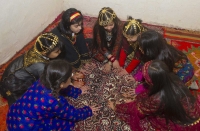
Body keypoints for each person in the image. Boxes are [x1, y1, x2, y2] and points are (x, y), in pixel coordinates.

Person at [6, 59, 99, 131]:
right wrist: (88, 110)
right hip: (26, 127)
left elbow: (61, 87)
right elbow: (72, 115)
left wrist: (77, 92)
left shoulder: (44, 80)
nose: (71, 80)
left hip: (13, 114)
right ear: (62, 84)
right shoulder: (55, 101)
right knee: (67, 123)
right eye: (70, 79)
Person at [108, 60, 200, 131]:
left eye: (145, 77)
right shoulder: (173, 78)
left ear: (151, 81)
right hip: (195, 111)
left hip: (185, 123)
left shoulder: (157, 97)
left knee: (150, 116)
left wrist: (116, 107)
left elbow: (138, 111)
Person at [0, 33, 63, 106]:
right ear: (45, 53)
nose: (60, 52)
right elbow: (48, 83)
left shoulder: (38, 49)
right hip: (15, 86)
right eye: (57, 51)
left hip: (12, 75)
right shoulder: (40, 67)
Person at [91, 7, 123, 72]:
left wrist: (110, 62)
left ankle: (108, 61)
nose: (109, 28)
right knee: (95, 52)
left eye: (111, 25)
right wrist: (112, 59)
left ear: (115, 21)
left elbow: (117, 44)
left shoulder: (119, 26)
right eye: (105, 26)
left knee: (122, 52)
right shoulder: (98, 28)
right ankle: (107, 60)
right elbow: (100, 45)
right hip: (103, 47)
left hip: (114, 46)